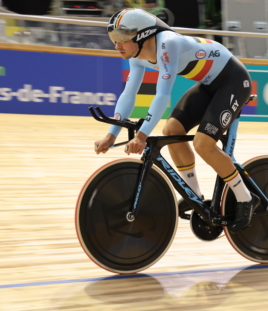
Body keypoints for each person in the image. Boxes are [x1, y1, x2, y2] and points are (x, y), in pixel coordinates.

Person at [94, 8, 259, 233]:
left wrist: (142, 136)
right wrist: (111, 135)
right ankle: (195, 195)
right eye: (113, 38)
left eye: (121, 38)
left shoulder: (167, 44)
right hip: (210, 84)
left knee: (203, 144)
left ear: (143, 35)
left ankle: (245, 198)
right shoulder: (137, 56)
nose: (116, 45)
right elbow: (128, 95)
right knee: (171, 130)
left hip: (233, 81)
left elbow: (162, 95)